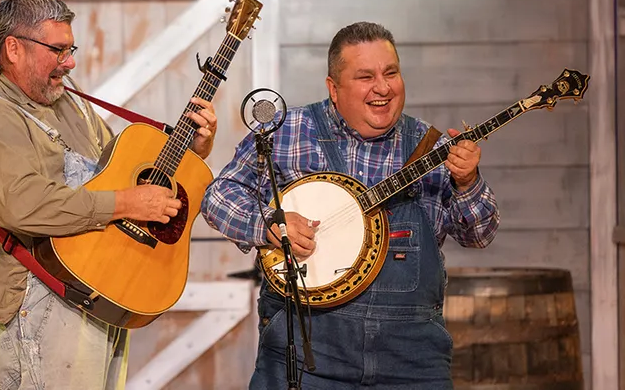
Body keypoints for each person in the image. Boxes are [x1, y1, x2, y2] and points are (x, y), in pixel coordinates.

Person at [203, 22, 500, 389]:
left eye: (391, 72)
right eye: (365, 76)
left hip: (412, 364)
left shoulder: (429, 145)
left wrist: (468, 181)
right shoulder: (288, 132)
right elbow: (218, 196)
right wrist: (267, 224)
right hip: (304, 361)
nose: (383, 87)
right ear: (333, 88)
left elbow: (479, 234)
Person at [0, 0, 219, 390]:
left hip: (93, 289)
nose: (69, 62)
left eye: (70, 49)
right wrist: (127, 203)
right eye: (57, 50)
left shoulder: (61, 98)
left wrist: (193, 150)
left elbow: (117, 171)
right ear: (13, 48)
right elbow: (25, 205)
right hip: (35, 299)